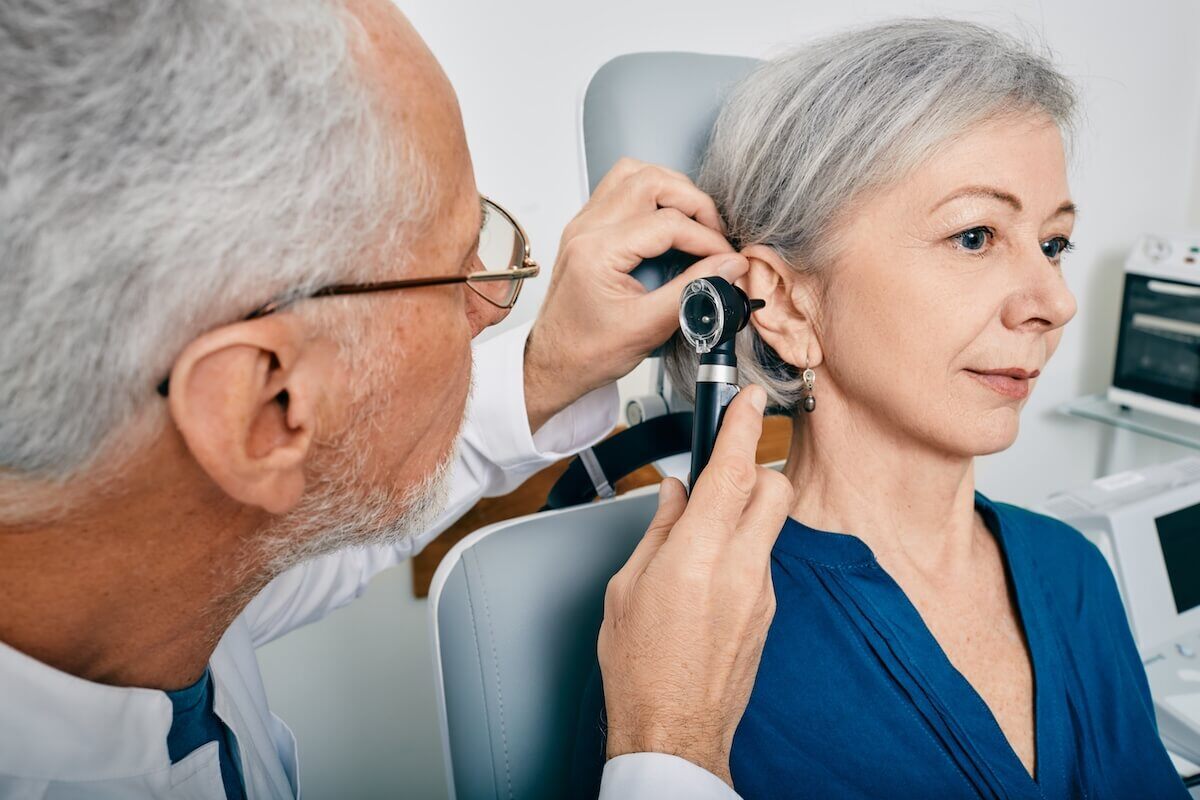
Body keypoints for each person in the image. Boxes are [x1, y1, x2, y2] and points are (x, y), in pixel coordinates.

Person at [0, 1, 791, 798]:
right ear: (265, 407)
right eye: (456, 270)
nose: (489, 302)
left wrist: (546, 368)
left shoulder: (149, 590)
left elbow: (321, 505)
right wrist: (669, 746)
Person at [573, 18, 1189, 799]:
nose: (1055, 301)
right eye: (974, 235)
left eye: (1054, 242)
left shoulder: (1073, 573)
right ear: (789, 304)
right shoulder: (695, 646)